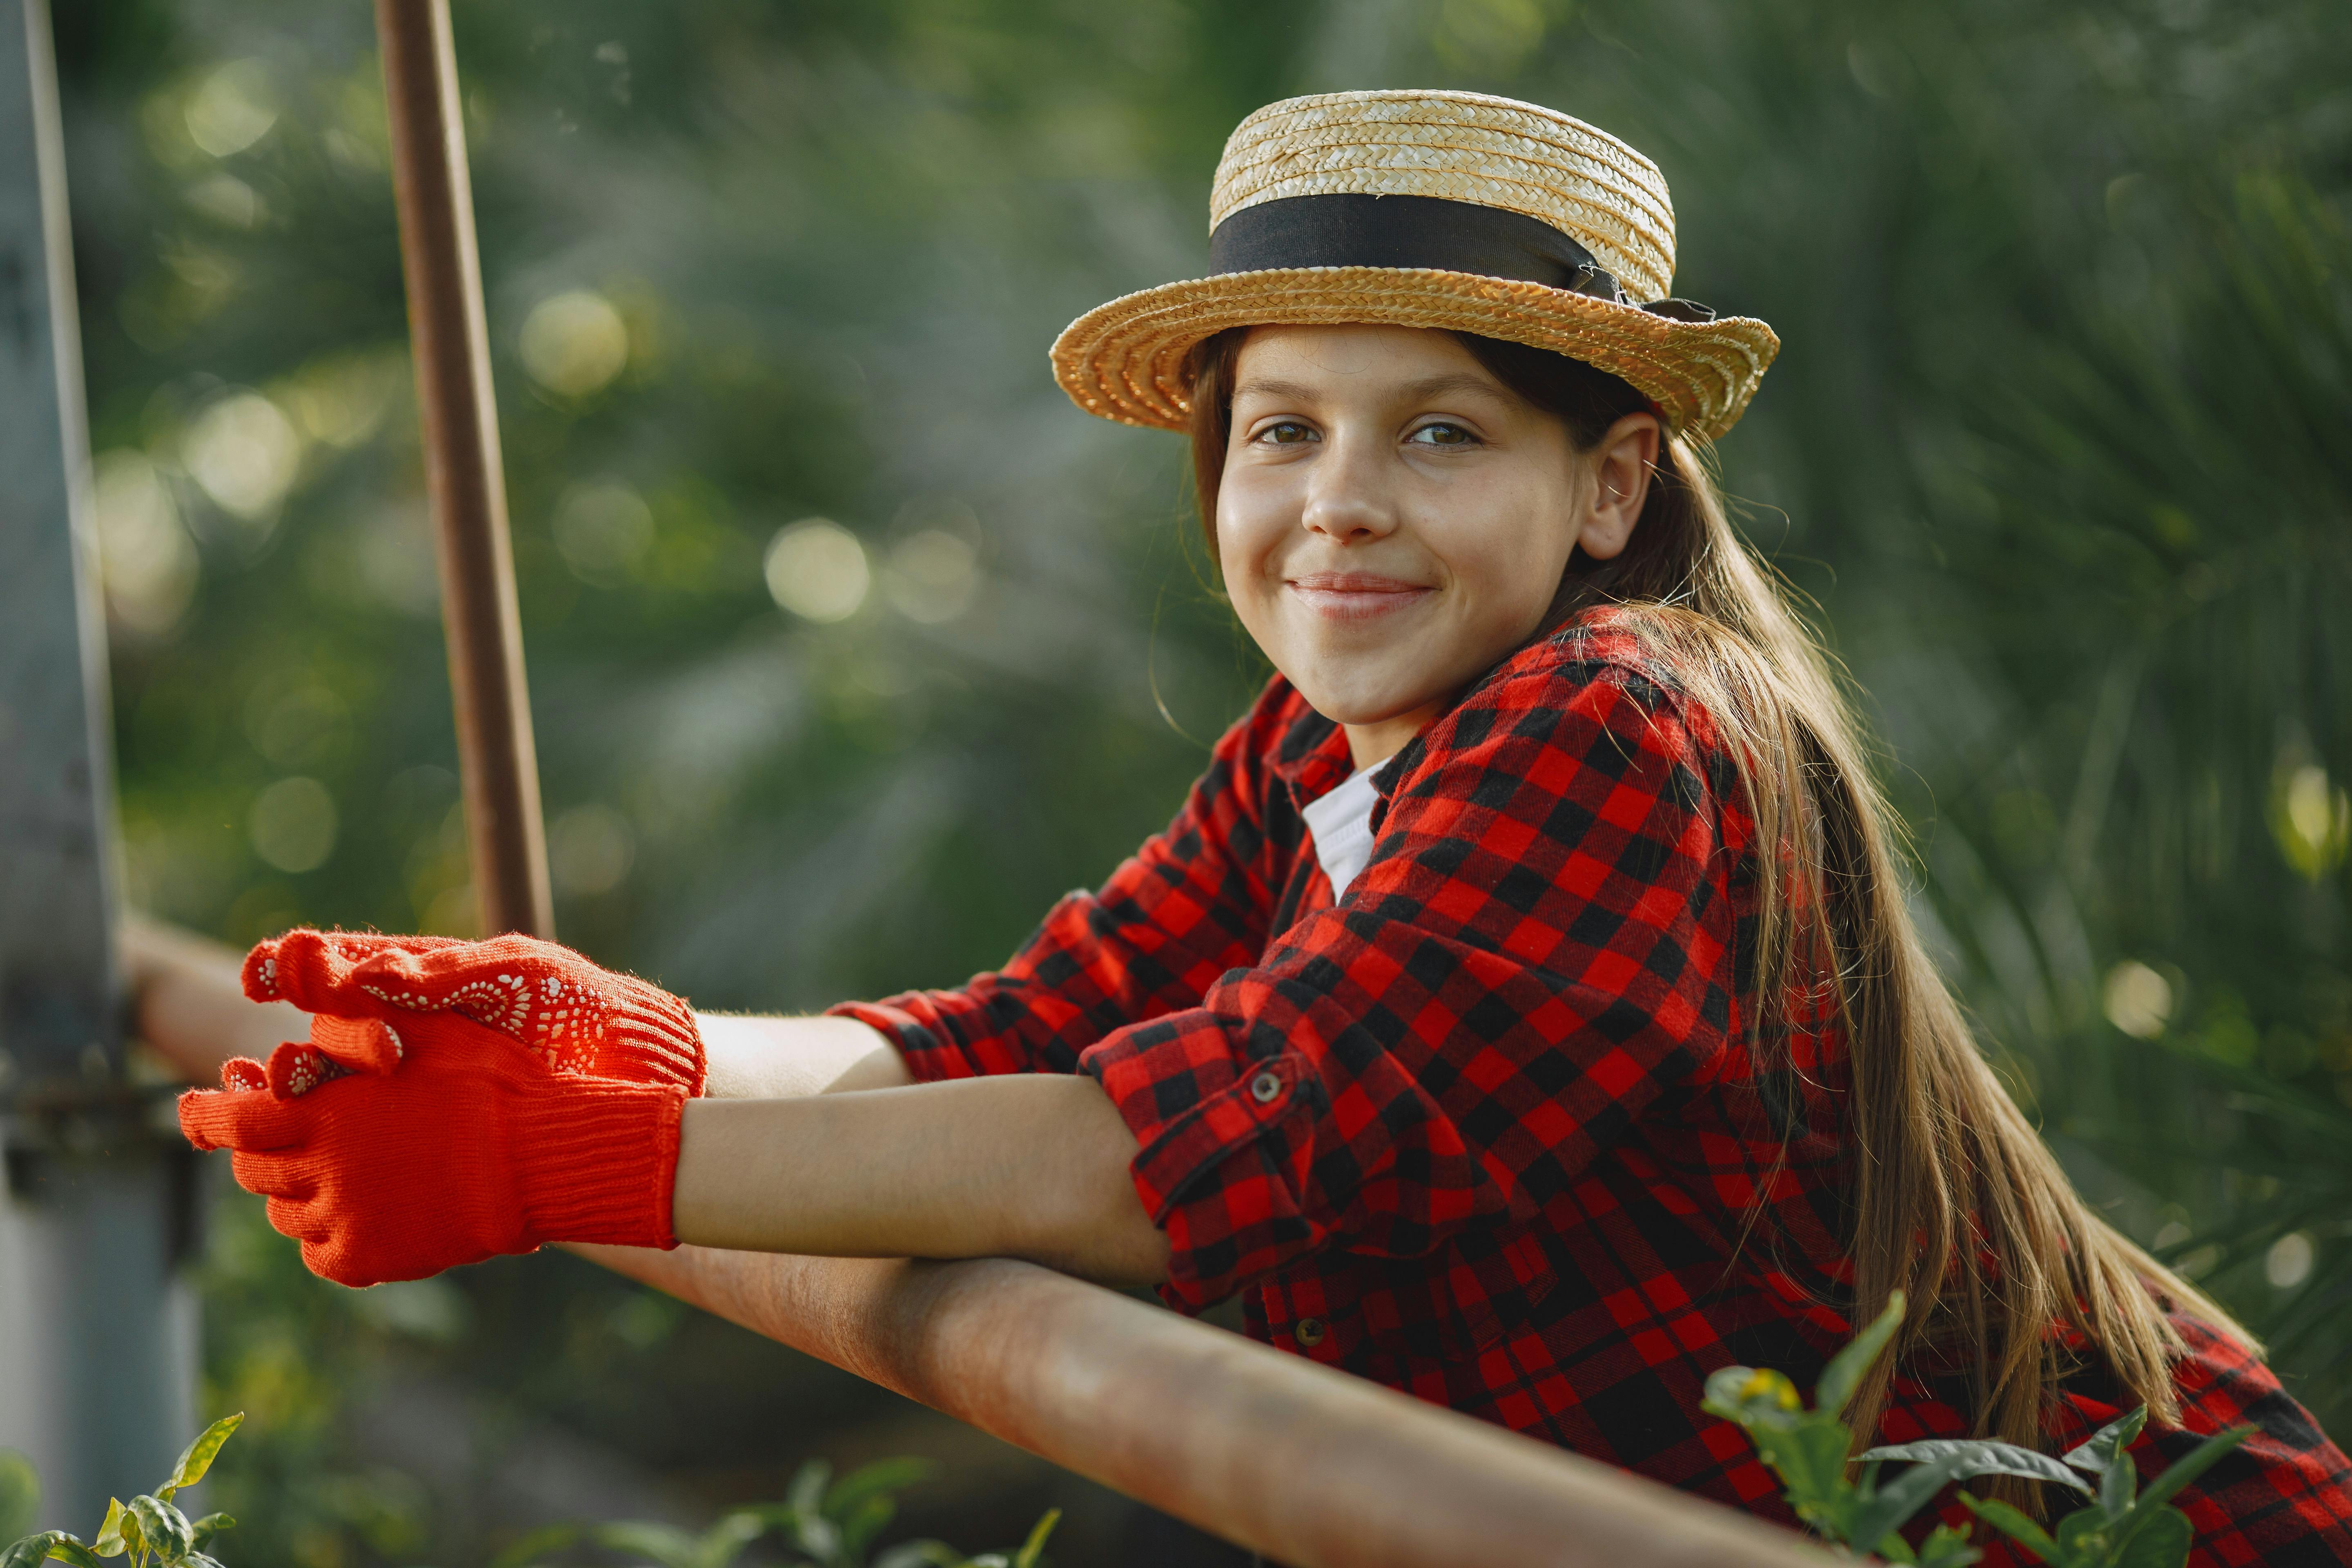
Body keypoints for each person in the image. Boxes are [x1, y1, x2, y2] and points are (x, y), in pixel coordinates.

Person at [162, 89, 2352, 1561]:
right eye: (1281, 429)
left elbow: (1232, 1137)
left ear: (1606, 490)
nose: (1339, 505)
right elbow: (1017, 1030)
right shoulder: (1321, 764)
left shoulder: (1626, 721)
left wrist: (566, 1160)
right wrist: (611, 1027)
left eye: (1443, 431)